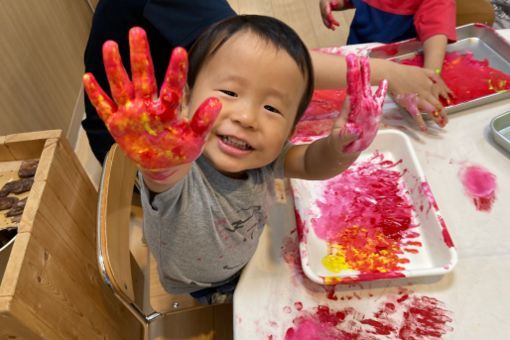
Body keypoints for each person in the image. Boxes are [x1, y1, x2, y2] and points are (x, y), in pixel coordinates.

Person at [83, 15, 387, 303]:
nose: (247, 117)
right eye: (229, 92)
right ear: (186, 99)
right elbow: (164, 177)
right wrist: (160, 164)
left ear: (291, 129)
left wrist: (343, 146)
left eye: (272, 108)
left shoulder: (266, 157)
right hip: (205, 284)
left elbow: (310, 163)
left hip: (246, 257)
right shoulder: (178, 167)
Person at [84, 0, 447, 164]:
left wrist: (337, 150)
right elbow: (264, 62)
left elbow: (307, 163)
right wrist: (390, 73)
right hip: (139, 143)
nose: (248, 117)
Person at [319, 0, 456, 130]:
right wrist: (335, 3)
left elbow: (437, 31)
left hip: (399, 70)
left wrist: (431, 74)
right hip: (358, 56)